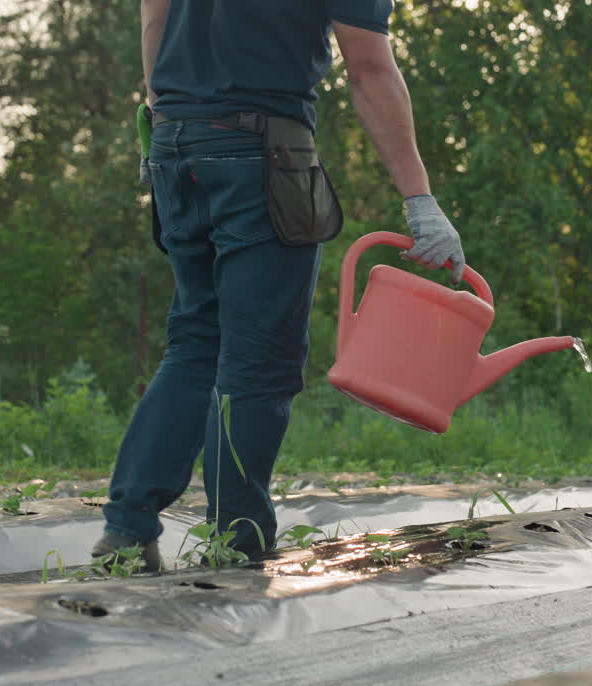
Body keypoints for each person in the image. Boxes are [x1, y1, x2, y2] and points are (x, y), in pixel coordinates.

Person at [92, 0, 466, 570]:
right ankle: (235, 543)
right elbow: (367, 67)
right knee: (258, 359)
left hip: (174, 145)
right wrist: (420, 199)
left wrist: (162, 115)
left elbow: (154, 13)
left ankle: (126, 529)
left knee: (197, 341)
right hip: (259, 153)